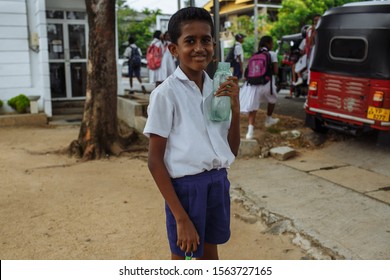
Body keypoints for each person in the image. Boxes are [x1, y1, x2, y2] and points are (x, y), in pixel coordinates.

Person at [143, 7, 240, 260]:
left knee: (210, 257)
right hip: (186, 190)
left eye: (205, 40)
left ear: (214, 44)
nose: (200, 47)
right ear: (174, 49)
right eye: (190, 41)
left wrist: (236, 108)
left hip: (217, 182)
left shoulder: (217, 89)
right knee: (184, 261)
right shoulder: (166, 94)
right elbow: (155, 161)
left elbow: (231, 152)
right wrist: (181, 217)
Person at [240, 35, 279, 139]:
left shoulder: (255, 54)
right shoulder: (272, 54)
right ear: (269, 43)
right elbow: (275, 71)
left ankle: (250, 132)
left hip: (253, 84)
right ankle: (268, 119)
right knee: (273, 99)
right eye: (272, 43)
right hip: (266, 84)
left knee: (253, 107)